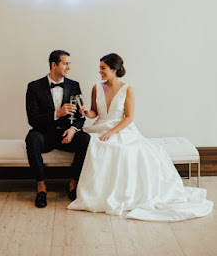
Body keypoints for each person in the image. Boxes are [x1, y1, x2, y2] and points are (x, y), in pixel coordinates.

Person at [68, 53, 213, 221]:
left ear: (113, 70)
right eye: (100, 67)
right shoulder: (96, 87)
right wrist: (87, 112)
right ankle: (93, 190)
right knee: (96, 145)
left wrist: (113, 131)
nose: (99, 71)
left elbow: (129, 117)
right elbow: (94, 112)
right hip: (100, 126)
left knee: (121, 148)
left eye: (103, 68)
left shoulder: (127, 89)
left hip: (121, 128)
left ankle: (120, 193)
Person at [25, 50, 90, 208]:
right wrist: (57, 113)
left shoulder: (74, 85)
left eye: (69, 64)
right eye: (65, 63)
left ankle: (73, 184)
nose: (68, 67)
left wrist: (74, 129)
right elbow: (32, 119)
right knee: (32, 139)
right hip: (44, 134)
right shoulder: (34, 87)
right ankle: (41, 188)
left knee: (86, 139)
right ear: (54, 65)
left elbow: (81, 116)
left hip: (67, 134)